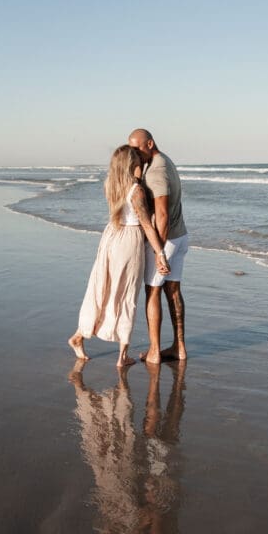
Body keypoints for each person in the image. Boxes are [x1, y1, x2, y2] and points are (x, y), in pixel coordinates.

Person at [68, 145, 170, 368]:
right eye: (138, 161)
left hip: (111, 236)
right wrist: (160, 253)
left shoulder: (110, 185)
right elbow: (145, 224)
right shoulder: (136, 190)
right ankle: (122, 356)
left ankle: (79, 335)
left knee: (101, 288)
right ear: (132, 164)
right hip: (129, 240)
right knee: (126, 293)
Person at [127, 129, 188, 364]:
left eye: (136, 148)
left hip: (167, 239)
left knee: (152, 292)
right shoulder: (165, 161)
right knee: (173, 291)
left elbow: (161, 213)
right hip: (180, 235)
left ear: (150, 143)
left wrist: (158, 250)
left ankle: (154, 350)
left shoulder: (156, 170)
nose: (133, 153)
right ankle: (178, 347)